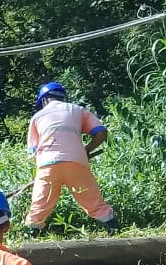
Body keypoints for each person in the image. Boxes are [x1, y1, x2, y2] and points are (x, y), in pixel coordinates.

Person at [24, 81, 118, 235]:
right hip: (76, 162)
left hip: (47, 165)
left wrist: (45, 174)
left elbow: (33, 152)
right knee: (95, 204)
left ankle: (29, 240)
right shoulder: (78, 110)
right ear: (63, 98)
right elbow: (101, 132)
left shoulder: (37, 117)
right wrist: (86, 150)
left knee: (38, 208)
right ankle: (115, 231)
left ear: (44, 100)